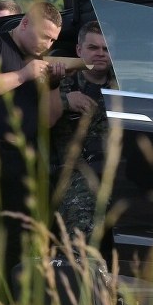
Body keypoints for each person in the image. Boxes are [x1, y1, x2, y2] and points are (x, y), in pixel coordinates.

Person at [0, 1, 67, 304]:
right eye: (46, 36)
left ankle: (0, 304)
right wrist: (23, 75)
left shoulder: (40, 63)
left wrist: (54, 85)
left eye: (54, 40)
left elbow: (49, 119)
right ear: (25, 24)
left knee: (14, 238)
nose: (49, 44)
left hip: (21, 158)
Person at [51, 21, 117, 246]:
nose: (100, 54)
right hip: (77, 172)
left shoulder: (124, 88)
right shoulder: (61, 83)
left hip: (119, 170)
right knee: (84, 219)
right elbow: (33, 111)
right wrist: (65, 101)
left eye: (106, 49)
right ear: (79, 50)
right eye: (93, 48)